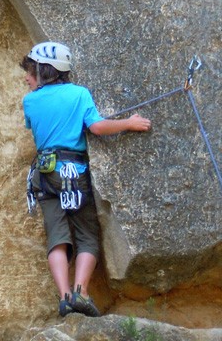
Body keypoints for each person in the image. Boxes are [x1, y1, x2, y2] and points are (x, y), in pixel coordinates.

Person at [21, 41, 151, 317]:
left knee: (57, 237)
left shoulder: (29, 101)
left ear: (44, 71)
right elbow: (97, 127)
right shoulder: (79, 94)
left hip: (43, 176)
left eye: (31, 71)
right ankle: (81, 292)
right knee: (87, 234)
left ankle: (64, 297)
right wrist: (129, 123)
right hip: (72, 174)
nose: (27, 77)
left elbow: (35, 126)